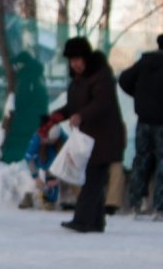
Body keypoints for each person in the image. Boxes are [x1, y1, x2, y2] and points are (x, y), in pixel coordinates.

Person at [50, 36, 126, 233]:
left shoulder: (101, 76)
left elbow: (102, 103)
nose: (74, 64)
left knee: (92, 179)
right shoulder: (78, 80)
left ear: (86, 58)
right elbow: (74, 106)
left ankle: (82, 220)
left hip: (105, 138)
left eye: (77, 59)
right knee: (94, 178)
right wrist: (55, 116)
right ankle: (96, 222)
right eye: (71, 60)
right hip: (90, 139)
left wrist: (80, 115)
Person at [118, 33, 163, 219]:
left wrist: (140, 97)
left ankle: (137, 203)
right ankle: (160, 207)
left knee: (141, 159)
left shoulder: (145, 62)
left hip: (143, 120)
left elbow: (123, 79)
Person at [0, 51, 49, 163]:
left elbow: (21, 98)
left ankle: (14, 160)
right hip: (37, 119)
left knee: (20, 144)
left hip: (27, 120)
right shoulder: (37, 75)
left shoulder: (26, 77)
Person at [17, 115, 67, 210]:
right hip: (41, 162)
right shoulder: (37, 138)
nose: (53, 141)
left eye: (55, 140)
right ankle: (29, 196)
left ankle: (54, 199)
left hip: (55, 163)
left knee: (53, 184)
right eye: (51, 140)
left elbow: (70, 151)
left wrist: (59, 178)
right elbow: (29, 158)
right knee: (36, 181)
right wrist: (36, 177)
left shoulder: (61, 134)